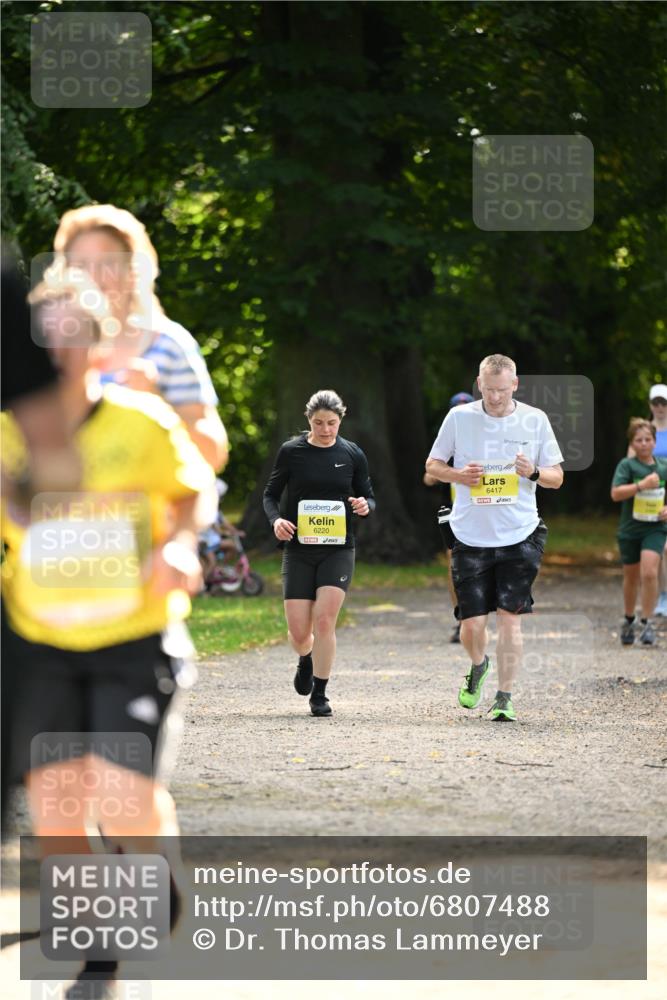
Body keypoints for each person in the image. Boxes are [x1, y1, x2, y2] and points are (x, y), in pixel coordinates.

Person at [1, 270, 214, 990]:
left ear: (96, 344)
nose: (57, 350)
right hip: (38, 641)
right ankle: (101, 956)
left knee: (122, 801)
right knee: (58, 806)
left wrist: (178, 545)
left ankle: (155, 857)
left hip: (134, 637)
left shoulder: (141, 423)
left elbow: (189, 496)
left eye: (71, 335)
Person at [425, 354, 564, 722]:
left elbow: (556, 476)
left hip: (520, 534)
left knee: (510, 618)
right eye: (488, 390)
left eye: (502, 390)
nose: (496, 397)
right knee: (472, 626)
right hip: (470, 535)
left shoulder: (535, 420)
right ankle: (478, 663)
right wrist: (459, 476)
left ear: (515, 385)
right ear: (479, 384)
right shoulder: (459, 418)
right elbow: (433, 466)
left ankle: (505, 697)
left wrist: (533, 471)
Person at [51, 203, 228, 470]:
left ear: (133, 271)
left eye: (108, 263)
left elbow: (213, 457)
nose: (93, 277)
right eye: (80, 265)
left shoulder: (169, 344)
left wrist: (158, 402)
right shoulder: (49, 352)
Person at [263, 390, 375, 717]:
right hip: (299, 550)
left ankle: (321, 694)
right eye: (318, 423)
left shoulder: (352, 453)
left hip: (338, 548)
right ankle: (305, 657)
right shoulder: (291, 452)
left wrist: (364, 505)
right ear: (308, 420)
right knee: (300, 634)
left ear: (341, 420)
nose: (325, 430)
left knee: (325, 621)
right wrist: (277, 520)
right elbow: (270, 495)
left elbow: (369, 496)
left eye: (332, 423)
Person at [424, 391, 474, 643]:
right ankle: (461, 619)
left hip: (481, 511)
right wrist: (455, 473)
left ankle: (479, 618)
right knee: (455, 566)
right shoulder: (445, 442)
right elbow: (428, 477)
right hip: (453, 512)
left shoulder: (483, 440)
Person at [611, 417, 667, 646]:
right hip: (630, 530)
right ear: (632, 443)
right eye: (639, 440)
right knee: (632, 577)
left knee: (650, 573)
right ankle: (629, 618)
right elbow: (615, 494)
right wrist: (640, 486)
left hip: (655, 528)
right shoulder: (627, 465)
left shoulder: (663, 467)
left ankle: (647, 622)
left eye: (648, 439)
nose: (644, 444)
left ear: (655, 441)